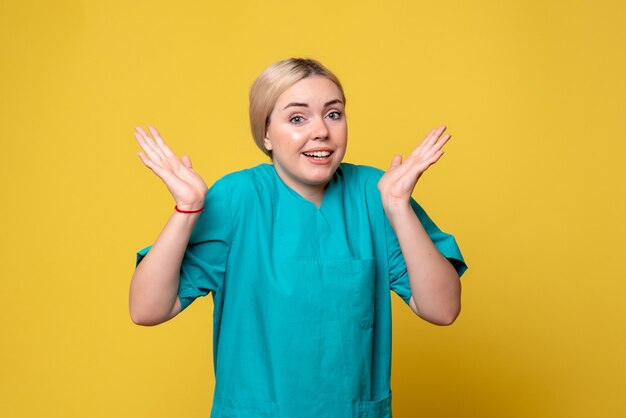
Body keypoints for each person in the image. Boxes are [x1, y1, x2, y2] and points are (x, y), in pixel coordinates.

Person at [130, 58, 467, 418]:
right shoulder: (237, 199)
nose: (321, 131)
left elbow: (442, 310)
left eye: (333, 114)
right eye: (297, 118)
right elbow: (147, 310)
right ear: (266, 134)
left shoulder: (378, 194)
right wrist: (188, 209)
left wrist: (399, 207)